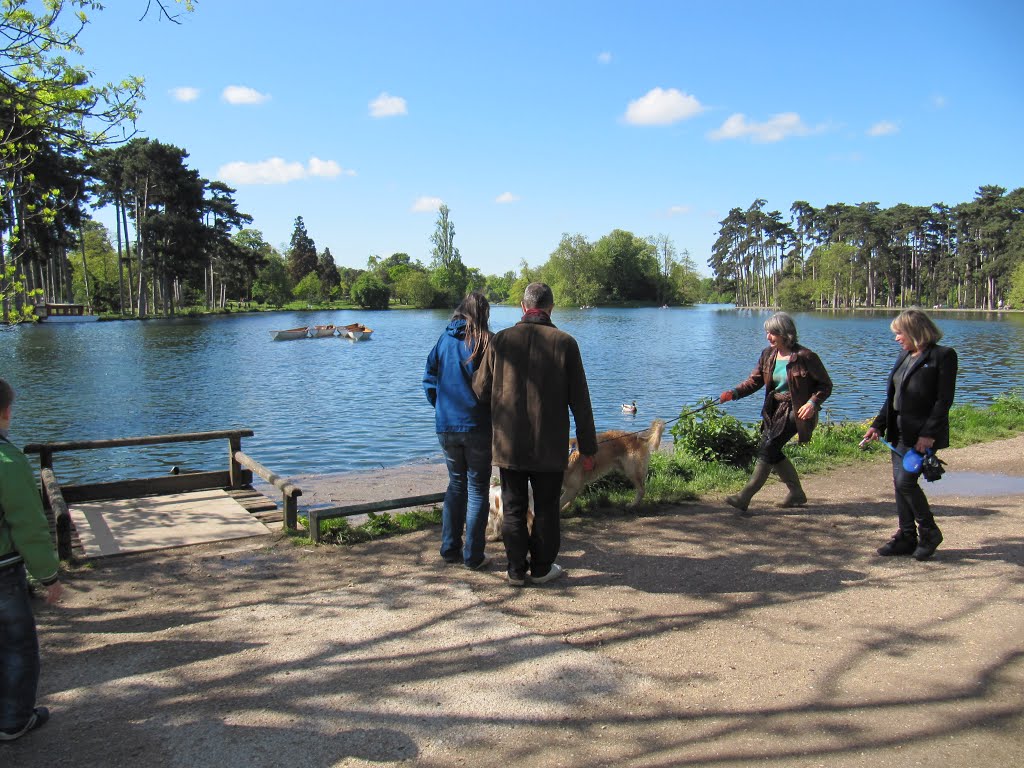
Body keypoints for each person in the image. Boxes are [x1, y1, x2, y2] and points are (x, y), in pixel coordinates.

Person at [473, 282, 597, 586]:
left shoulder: (500, 341)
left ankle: (516, 570)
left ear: (522, 306)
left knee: (514, 508)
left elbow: (480, 389)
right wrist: (589, 448)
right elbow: (580, 402)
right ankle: (541, 568)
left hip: (509, 443)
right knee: (546, 509)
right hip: (549, 444)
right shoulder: (565, 343)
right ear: (551, 307)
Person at [861, 309, 957, 560]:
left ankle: (929, 532)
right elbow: (892, 396)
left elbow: (943, 401)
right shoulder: (905, 355)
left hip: (922, 435)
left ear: (915, 331)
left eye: (899, 333)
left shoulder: (943, 356)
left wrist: (928, 435)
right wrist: (878, 425)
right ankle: (906, 536)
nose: (896, 338)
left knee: (906, 482)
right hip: (898, 433)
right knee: (899, 485)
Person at [720, 312, 832, 514]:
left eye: (771, 333)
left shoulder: (806, 357)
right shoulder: (768, 355)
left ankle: (744, 497)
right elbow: (754, 381)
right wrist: (734, 393)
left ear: (784, 334)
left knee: (769, 448)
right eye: (767, 333)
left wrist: (813, 403)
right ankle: (796, 493)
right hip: (774, 409)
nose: (768, 337)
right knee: (771, 448)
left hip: (797, 411)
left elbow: (825, 385)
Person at [1, 378, 62, 742]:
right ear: (6, 412)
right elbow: (27, 525)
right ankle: (13, 719)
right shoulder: (7, 461)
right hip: (3, 571)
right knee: (16, 645)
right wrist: (48, 575)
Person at [423, 292, 494, 570]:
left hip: (446, 425)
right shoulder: (486, 340)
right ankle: (473, 556)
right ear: (483, 313)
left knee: (456, 484)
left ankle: (450, 548)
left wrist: (440, 406)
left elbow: (428, 378)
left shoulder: (443, 340)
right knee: (477, 489)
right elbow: (495, 386)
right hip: (477, 425)